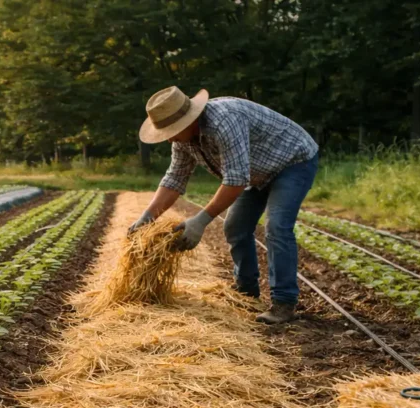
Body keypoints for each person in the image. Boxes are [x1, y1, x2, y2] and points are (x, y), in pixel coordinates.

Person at [130, 86, 319, 324]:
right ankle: (246, 292)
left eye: (172, 131)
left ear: (189, 120)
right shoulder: (182, 140)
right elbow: (175, 178)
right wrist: (147, 217)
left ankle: (284, 303)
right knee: (235, 227)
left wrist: (200, 221)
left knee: (277, 227)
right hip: (255, 171)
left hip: (292, 161)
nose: (169, 138)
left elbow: (235, 180)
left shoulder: (224, 121)